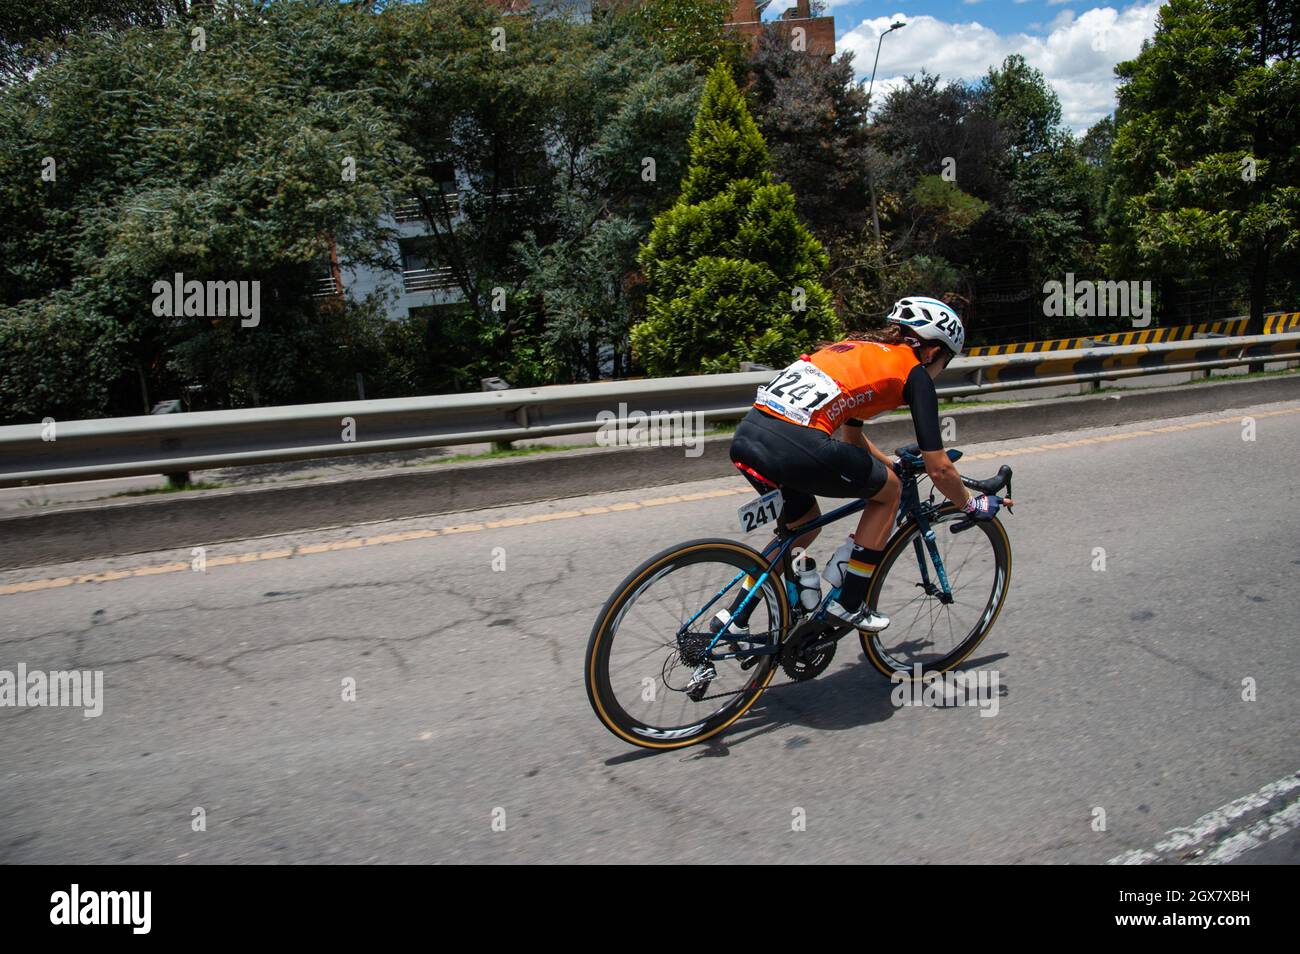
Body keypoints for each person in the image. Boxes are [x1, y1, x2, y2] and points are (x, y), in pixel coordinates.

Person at [726, 296, 1009, 633]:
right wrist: (971, 504)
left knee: (805, 523)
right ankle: (850, 603)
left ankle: (733, 619)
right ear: (933, 352)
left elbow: (852, 437)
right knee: (889, 493)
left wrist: (887, 463)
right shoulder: (914, 373)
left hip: (749, 437)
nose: (938, 371)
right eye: (944, 362)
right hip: (795, 443)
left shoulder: (859, 350)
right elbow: (940, 467)